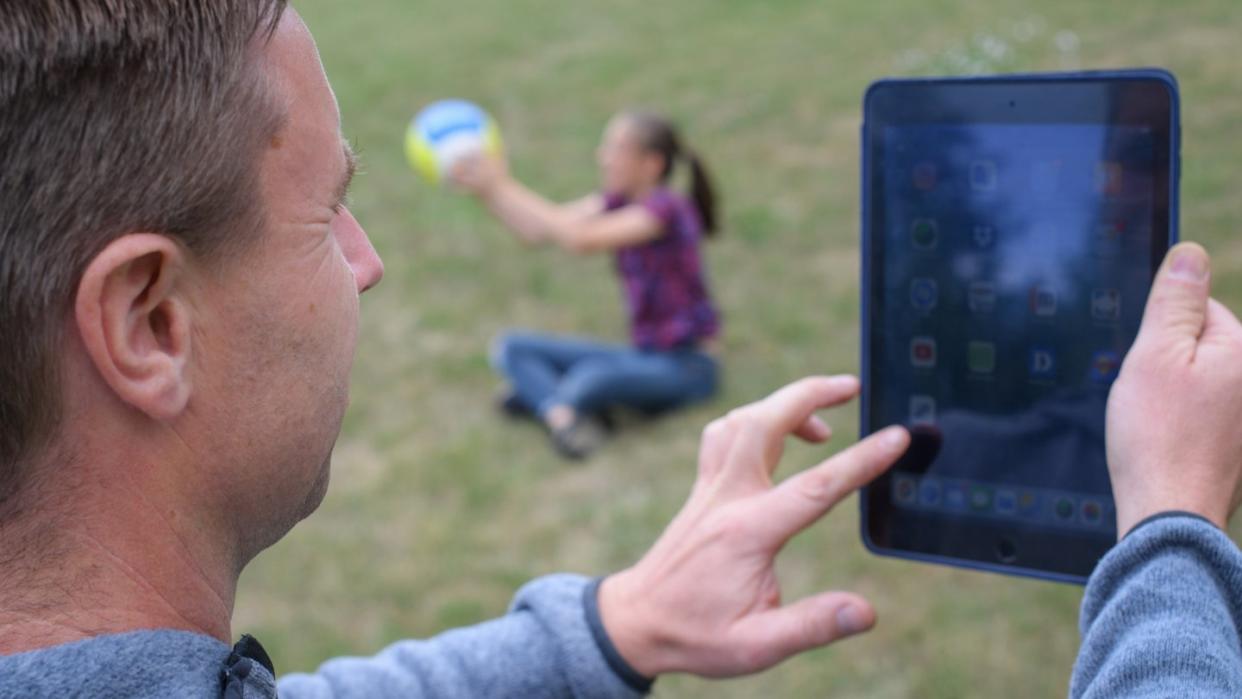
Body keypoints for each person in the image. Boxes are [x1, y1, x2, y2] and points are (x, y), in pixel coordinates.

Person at [1, 5, 1241, 699]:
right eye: (330, 211)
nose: (368, 261)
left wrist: (614, 623)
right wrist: (1176, 522)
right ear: (150, 324)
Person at [452, 111, 723, 459]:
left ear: (651, 164)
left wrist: (503, 184)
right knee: (512, 348)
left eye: (616, 148)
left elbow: (581, 239)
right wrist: (488, 191)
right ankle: (565, 406)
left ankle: (557, 412)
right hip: (644, 356)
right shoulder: (616, 203)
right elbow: (536, 231)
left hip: (688, 367)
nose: (603, 157)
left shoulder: (666, 209)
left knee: (595, 375)